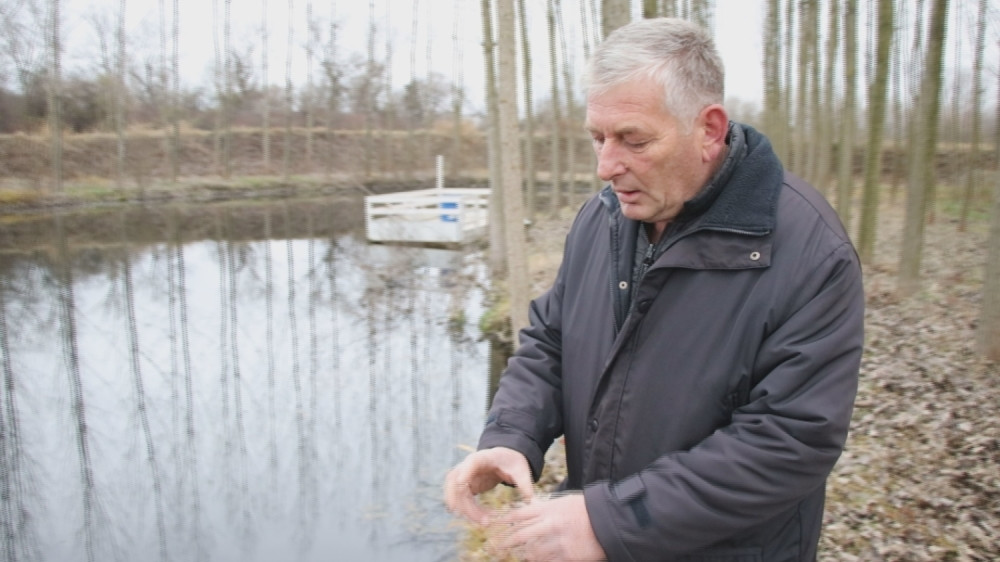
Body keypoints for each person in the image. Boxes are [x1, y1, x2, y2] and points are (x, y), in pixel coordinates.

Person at [444, 17, 864, 562]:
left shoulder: (810, 251)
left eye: (633, 140)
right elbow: (552, 341)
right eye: (598, 138)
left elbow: (790, 441)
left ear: (709, 129)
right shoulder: (602, 220)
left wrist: (610, 520)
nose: (605, 167)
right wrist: (510, 434)